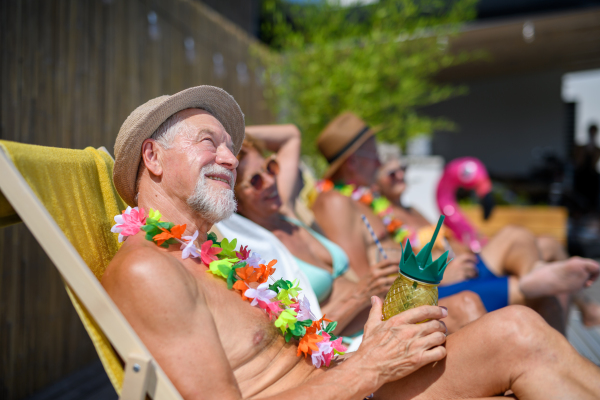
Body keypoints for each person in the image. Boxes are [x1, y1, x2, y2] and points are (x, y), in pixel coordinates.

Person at [102, 86, 600, 399]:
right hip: (354, 383)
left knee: (517, 329)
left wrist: (370, 343)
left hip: (345, 379)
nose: (230, 160)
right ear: (154, 157)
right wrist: (371, 363)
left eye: (231, 148)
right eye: (209, 142)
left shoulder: (215, 260)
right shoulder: (149, 271)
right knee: (515, 335)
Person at [312, 112, 600, 333]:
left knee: (521, 244)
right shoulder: (335, 203)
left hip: (446, 277)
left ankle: (538, 287)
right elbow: (368, 285)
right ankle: (534, 284)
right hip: (428, 291)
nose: (379, 161)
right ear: (353, 163)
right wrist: (439, 275)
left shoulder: (366, 202)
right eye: (373, 151)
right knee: (542, 287)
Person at [230, 125, 485, 335]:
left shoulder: (284, 212)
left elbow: (291, 135)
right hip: (355, 341)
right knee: (468, 306)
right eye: (255, 180)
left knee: (469, 305)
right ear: (235, 198)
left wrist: (229, 138)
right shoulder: (255, 249)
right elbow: (301, 335)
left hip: (384, 314)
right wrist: (361, 295)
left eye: (271, 167)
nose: (271, 181)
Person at [376, 157, 600, 327]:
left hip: (467, 265)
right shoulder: (380, 218)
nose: (400, 175)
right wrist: (441, 276)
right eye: (391, 173)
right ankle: (547, 286)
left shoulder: (412, 210)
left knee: (546, 244)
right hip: (445, 284)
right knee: (518, 242)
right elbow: (391, 274)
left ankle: (543, 278)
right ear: (374, 183)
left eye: (402, 169)